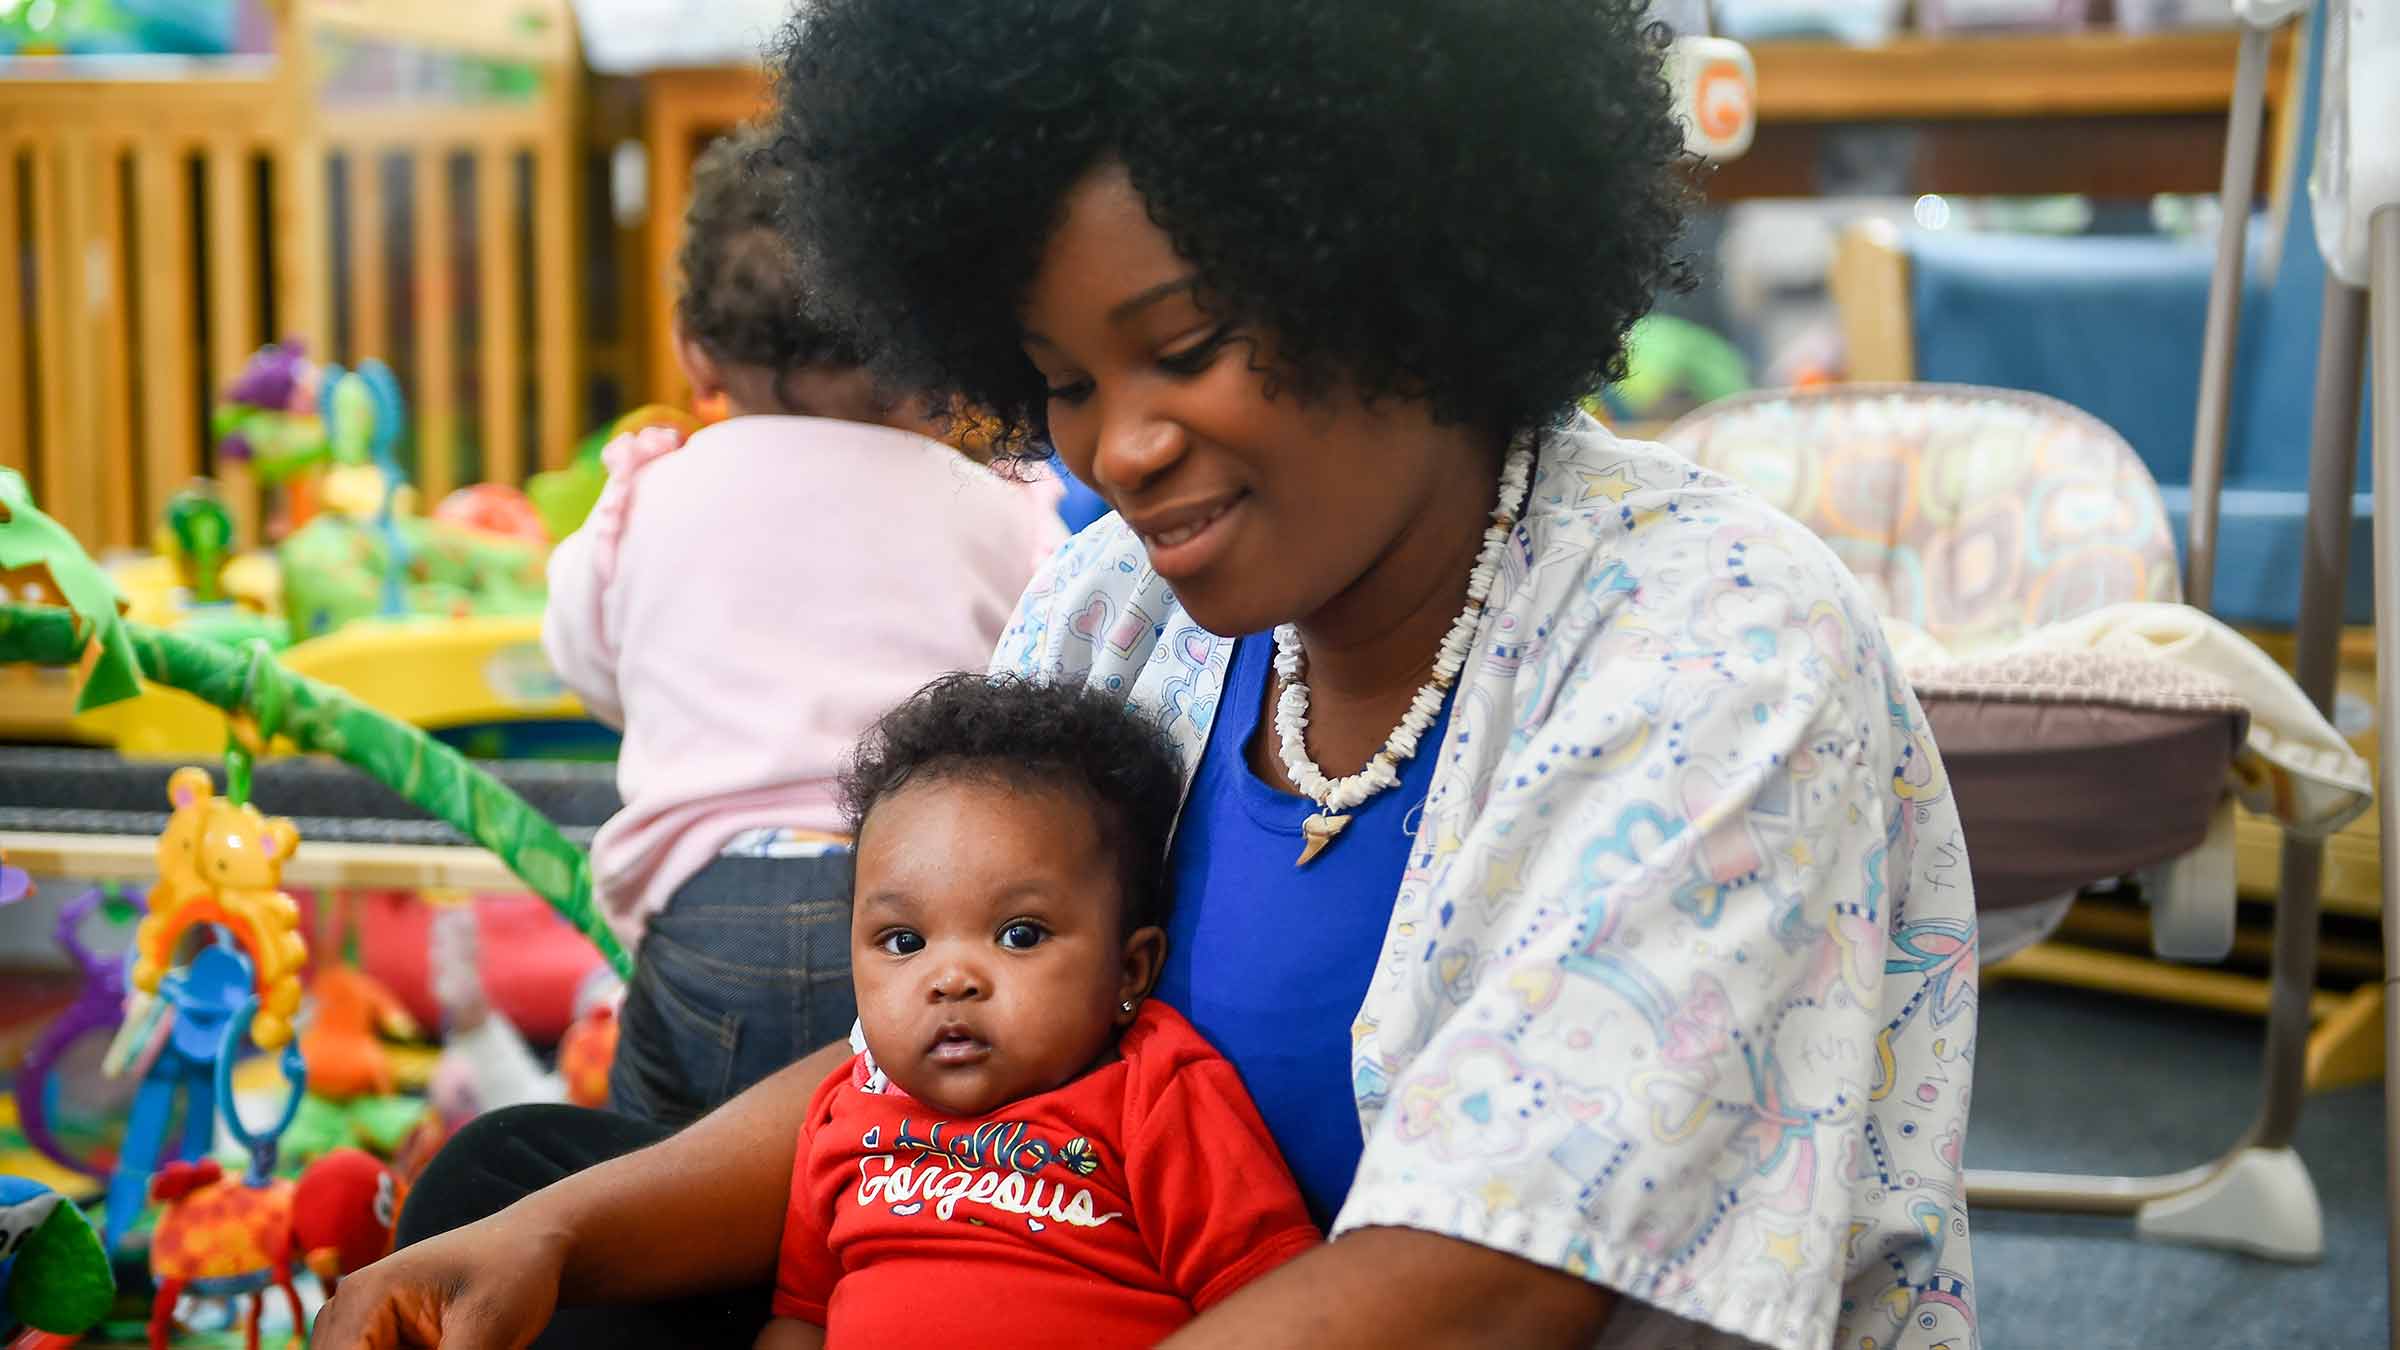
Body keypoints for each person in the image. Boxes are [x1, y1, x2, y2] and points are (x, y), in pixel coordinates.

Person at [316, 4, 1979, 1348]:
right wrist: (546, 1236)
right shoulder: (1125, 604)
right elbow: (925, 1049)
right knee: (510, 1187)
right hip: (1080, 1285)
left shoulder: (1721, 642)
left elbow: (1496, 1279)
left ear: (1398, 262)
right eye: (1056, 380)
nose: (1116, 449)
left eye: (1181, 349)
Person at [542, 124, 1067, 1129]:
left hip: (706, 914)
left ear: (693, 346)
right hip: (922, 919)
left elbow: (583, 654)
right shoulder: (995, 503)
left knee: (659, 1187)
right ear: (925, 345)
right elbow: (1054, 666)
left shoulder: (649, 495)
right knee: (916, 1174)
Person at [755, 674, 1318, 1349]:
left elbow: (1273, 1302)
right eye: (904, 942)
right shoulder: (843, 1114)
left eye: (1019, 935)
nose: (952, 979)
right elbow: (802, 1317)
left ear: (1129, 970)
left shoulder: (1157, 1096)